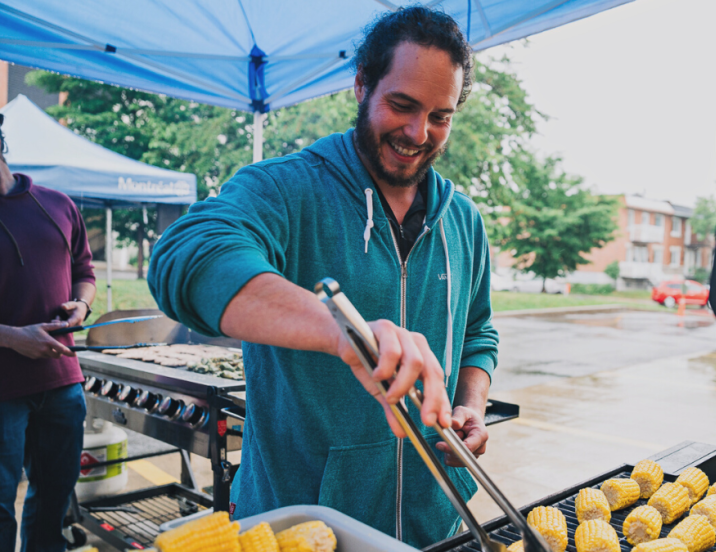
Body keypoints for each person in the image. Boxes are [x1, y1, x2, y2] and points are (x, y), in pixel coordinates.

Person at [148, 7, 498, 548]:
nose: (418, 132)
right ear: (361, 85)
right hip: (305, 526)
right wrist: (344, 332)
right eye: (402, 105)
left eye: (440, 116)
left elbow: (478, 333)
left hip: (434, 523)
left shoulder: (464, 220)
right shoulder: (284, 188)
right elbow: (186, 255)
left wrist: (469, 406)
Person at [0, 112, 96, 552]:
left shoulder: (58, 204)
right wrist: (12, 337)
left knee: (55, 494)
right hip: (3, 389)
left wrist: (82, 304)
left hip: (61, 382)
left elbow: (84, 271)